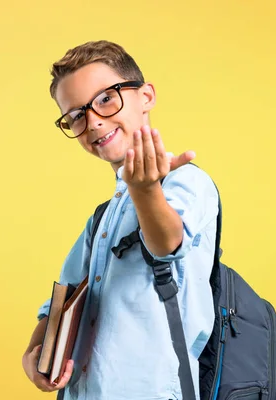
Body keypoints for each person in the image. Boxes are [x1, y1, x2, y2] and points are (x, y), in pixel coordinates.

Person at [22, 40, 220, 400]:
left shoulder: (187, 182)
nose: (93, 120)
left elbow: (166, 245)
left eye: (106, 98)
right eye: (76, 116)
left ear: (146, 97)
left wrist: (145, 190)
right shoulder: (101, 218)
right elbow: (58, 304)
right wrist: (35, 355)